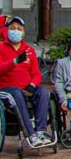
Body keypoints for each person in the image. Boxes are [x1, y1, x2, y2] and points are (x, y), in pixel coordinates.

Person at [0, 17, 51, 148]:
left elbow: (36, 74)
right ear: (7, 30)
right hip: (7, 89)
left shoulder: (29, 50)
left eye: (19, 29)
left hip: (26, 89)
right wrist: (14, 62)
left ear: (23, 32)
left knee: (44, 92)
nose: (15, 31)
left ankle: (40, 131)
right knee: (16, 93)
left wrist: (32, 85)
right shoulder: (1, 48)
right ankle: (30, 134)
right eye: (12, 28)